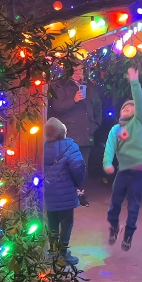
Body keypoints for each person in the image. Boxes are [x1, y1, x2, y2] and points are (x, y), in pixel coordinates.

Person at [103, 67, 142, 251]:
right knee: (115, 203)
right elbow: (110, 147)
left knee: (134, 205)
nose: (127, 108)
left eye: (131, 107)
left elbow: (140, 101)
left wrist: (135, 83)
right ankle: (114, 226)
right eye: (124, 107)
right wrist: (107, 163)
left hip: (139, 173)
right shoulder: (115, 130)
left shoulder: (140, 122)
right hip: (123, 172)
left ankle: (129, 234)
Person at [47, 65, 102, 207]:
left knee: (82, 164)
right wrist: (74, 100)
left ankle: (79, 193)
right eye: (75, 70)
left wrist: (94, 124)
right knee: (65, 163)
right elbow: (56, 106)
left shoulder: (90, 86)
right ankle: (64, 194)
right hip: (68, 133)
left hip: (86, 133)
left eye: (81, 70)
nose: (78, 73)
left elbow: (98, 107)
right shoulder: (61, 85)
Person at [43, 117, 86, 265]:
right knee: (67, 223)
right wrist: (78, 184)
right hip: (66, 194)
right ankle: (63, 252)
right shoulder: (70, 146)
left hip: (49, 194)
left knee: (52, 222)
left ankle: (52, 252)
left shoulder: (42, 147)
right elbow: (78, 167)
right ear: (64, 132)